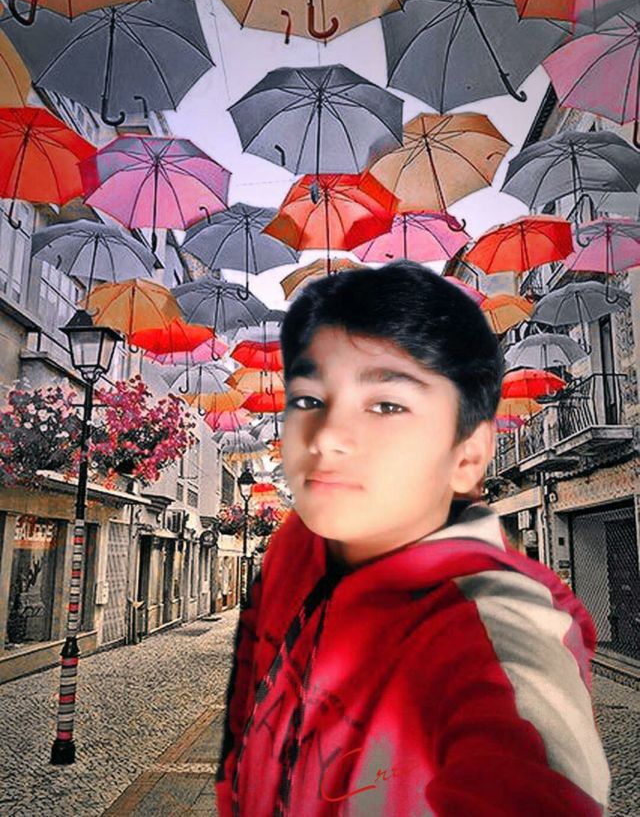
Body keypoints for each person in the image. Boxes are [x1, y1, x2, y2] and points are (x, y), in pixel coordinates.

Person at [215, 261, 610, 817]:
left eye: (386, 405)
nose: (327, 438)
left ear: (469, 454)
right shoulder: (320, 584)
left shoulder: (490, 636)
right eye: (309, 401)